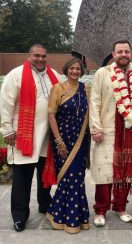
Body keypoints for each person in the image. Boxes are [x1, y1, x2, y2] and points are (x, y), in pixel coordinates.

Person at [0, 44, 59, 232]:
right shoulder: (16, 75)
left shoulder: (54, 75)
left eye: (43, 56)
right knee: (21, 179)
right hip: (24, 135)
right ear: (28, 56)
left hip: (46, 137)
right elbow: (6, 103)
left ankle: (44, 204)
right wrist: (7, 129)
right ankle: (19, 215)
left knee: (44, 174)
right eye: (36, 56)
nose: (40, 59)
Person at [89, 40, 132, 227]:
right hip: (107, 131)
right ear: (113, 54)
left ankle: (121, 207)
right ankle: (100, 209)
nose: (123, 54)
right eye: (120, 51)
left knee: (127, 170)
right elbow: (95, 101)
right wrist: (96, 128)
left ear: (131, 54)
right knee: (104, 172)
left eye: (127, 51)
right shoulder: (102, 73)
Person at [45, 57, 90, 234]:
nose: (75, 72)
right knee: (67, 178)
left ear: (81, 71)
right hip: (63, 140)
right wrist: (58, 141)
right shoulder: (58, 88)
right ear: (66, 69)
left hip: (80, 140)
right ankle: (62, 217)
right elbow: (51, 115)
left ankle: (73, 216)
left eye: (78, 69)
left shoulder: (85, 88)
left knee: (77, 179)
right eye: (72, 68)